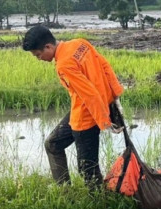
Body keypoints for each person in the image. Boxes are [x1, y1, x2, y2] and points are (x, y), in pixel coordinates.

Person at [22, 26, 124, 189]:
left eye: (38, 54)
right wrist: (115, 96)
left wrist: (104, 120)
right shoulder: (80, 43)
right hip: (87, 109)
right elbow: (105, 66)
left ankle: (98, 204)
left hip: (86, 117)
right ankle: (64, 190)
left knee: (87, 169)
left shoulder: (64, 64)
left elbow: (89, 93)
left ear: (48, 46)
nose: (39, 59)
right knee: (52, 144)